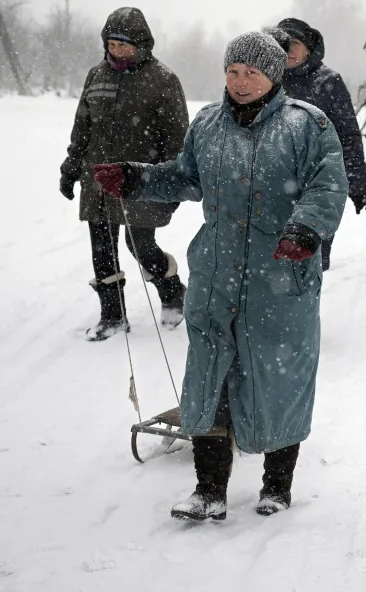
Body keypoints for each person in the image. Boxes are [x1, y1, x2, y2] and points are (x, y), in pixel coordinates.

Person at [93, 31, 347, 521]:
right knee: (212, 380)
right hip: (217, 275)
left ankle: (277, 484)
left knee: (279, 380)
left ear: (274, 76)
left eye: (252, 73)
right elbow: (187, 176)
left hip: (281, 276)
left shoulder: (307, 126)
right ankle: (208, 490)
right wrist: (138, 176)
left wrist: (306, 228)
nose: (241, 82)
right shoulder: (208, 123)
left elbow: (328, 184)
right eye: (233, 72)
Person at [59, 7, 189, 342]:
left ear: (142, 43)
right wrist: (71, 167)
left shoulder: (163, 80)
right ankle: (113, 316)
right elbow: (82, 127)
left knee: (139, 244)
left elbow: (176, 139)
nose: (117, 51)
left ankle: (172, 291)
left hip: (141, 181)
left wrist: (170, 185)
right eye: (112, 44)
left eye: (125, 45)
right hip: (98, 179)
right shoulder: (96, 76)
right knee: (102, 248)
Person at [268, 18, 366, 270]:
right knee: (269, 260)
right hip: (272, 182)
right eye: (283, 44)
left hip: (319, 184)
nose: (288, 50)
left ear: (309, 48)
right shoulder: (267, 79)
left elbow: (348, 134)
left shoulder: (327, 82)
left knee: (308, 261)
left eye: (295, 43)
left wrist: (356, 178)